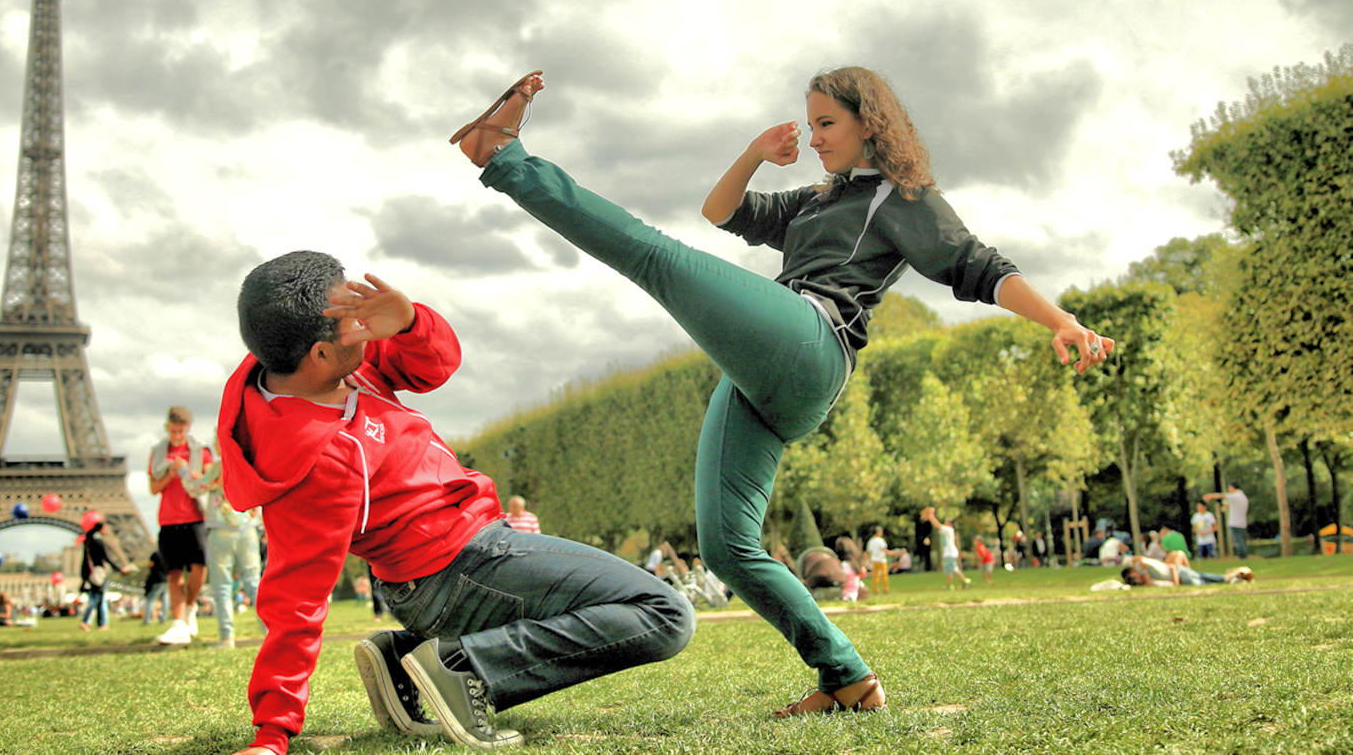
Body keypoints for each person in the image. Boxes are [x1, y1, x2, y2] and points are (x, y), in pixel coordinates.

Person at [452, 68, 1113, 717]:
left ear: (870, 122)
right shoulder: (817, 201)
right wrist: (753, 156)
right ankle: (847, 678)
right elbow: (722, 212)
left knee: (653, 256)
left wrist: (1061, 320)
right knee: (726, 547)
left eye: (828, 123)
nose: (816, 137)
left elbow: (978, 265)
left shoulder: (901, 197)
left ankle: (503, 158)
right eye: (813, 123)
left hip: (810, 345)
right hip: (771, 372)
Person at [217, 252, 694, 754]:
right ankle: (460, 666)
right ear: (318, 353)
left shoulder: (323, 368)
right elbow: (297, 596)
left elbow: (433, 367)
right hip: (461, 567)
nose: (366, 321)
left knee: (640, 605)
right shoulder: (318, 453)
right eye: (354, 316)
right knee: (664, 613)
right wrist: (273, 733)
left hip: (450, 565)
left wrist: (409, 322)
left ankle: (408, 659)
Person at [149, 405, 213, 645]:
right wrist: (170, 474)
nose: (176, 435)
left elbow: (209, 480)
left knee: (199, 568)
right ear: (167, 428)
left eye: (180, 431)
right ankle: (178, 624)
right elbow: (153, 488)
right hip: (168, 519)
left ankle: (190, 606)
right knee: (173, 572)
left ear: (187, 429)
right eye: (173, 430)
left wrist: (186, 471)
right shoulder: (157, 453)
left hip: (195, 517)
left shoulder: (200, 451)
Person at [198, 458, 264, 650]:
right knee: (254, 582)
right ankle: (269, 631)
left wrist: (185, 471)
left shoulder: (217, 467)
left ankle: (227, 638)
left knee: (222, 587)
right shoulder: (249, 462)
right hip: (247, 529)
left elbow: (194, 488)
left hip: (220, 530)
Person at [79, 520, 132, 631]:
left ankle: (97, 623)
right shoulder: (98, 541)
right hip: (98, 572)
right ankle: (94, 622)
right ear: (101, 529)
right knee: (98, 598)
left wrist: (84, 577)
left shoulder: (88, 541)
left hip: (91, 572)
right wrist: (119, 569)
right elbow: (106, 558)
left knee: (95, 598)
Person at [1121, 555, 1253, 587]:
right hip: (1180, 572)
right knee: (1207, 579)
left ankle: (1235, 577)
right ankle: (1236, 576)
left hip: (1180, 573)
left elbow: (1135, 558)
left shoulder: (1140, 566)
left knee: (1205, 580)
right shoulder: (1142, 569)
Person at [923, 508, 970, 590]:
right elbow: (936, 526)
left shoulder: (948, 529)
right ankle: (954, 584)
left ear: (950, 524)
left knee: (953, 569)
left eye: (947, 521)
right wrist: (929, 517)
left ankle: (962, 581)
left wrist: (931, 515)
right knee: (950, 569)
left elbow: (937, 525)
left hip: (950, 553)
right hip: (949, 553)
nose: (945, 522)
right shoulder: (946, 530)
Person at [1206, 485, 1250, 558]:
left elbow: (1221, 495)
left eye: (1229, 488)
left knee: (1238, 541)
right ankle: (1244, 556)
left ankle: (1242, 557)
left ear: (1233, 487)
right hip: (1242, 523)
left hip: (1235, 523)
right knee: (1242, 540)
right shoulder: (1243, 497)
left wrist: (1210, 496)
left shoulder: (1235, 495)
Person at [140, 550, 169, 626]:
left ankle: (147, 619)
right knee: (165, 600)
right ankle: (163, 619)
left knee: (150, 600)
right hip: (167, 579)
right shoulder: (167, 553)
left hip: (157, 580)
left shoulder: (156, 554)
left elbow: (150, 565)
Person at [865, 527, 890, 595]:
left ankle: (875, 589)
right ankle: (885, 589)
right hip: (881, 560)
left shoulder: (870, 541)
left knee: (875, 576)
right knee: (884, 575)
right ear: (878, 532)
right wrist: (892, 553)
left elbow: (868, 552)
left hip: (874, 560)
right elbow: (884, 549)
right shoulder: (881, 540)